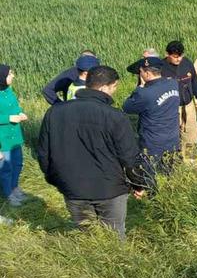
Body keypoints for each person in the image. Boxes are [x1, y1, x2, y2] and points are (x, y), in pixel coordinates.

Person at [37, 66, 145, 240]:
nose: (114, 92)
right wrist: (138, 184)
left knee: (87, 238)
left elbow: (43, 153)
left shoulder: (55, 112)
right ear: (105, 88)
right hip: (110, 190)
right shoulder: (115, 116)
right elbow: (129, 157)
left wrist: (57, 181)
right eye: (114, 87)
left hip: (72, 188)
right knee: (115, 237)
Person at [122, 57, 181, 173]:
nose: (140, 76)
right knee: (171, 171)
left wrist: (139, 88)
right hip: (173, 139)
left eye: (141, 73)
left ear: (147, 73)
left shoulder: (144, 93)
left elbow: (127, 107)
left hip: (153, 144)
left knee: (151, 175)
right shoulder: (173, 83)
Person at [162, 41, 197, 163]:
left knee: (191, 132)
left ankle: (189, 160)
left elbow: (195, 82)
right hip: (170, 108)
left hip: (188, 105)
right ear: (167, 54)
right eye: (175, 56)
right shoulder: (161, 67)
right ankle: (172, 160)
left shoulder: (187, 63)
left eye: (180, 55)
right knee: (172, 133)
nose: (179, 59)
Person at [0, 64, 29, 208]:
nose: (13, 76)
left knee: (17, 164)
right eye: (10, 74)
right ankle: (8, 194)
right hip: (3, 141)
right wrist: (8, 118)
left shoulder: (8, 90)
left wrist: (20, 113)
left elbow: (15, 107)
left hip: (16, 138)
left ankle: (15, 187)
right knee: (6, 168)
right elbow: (6, 115)